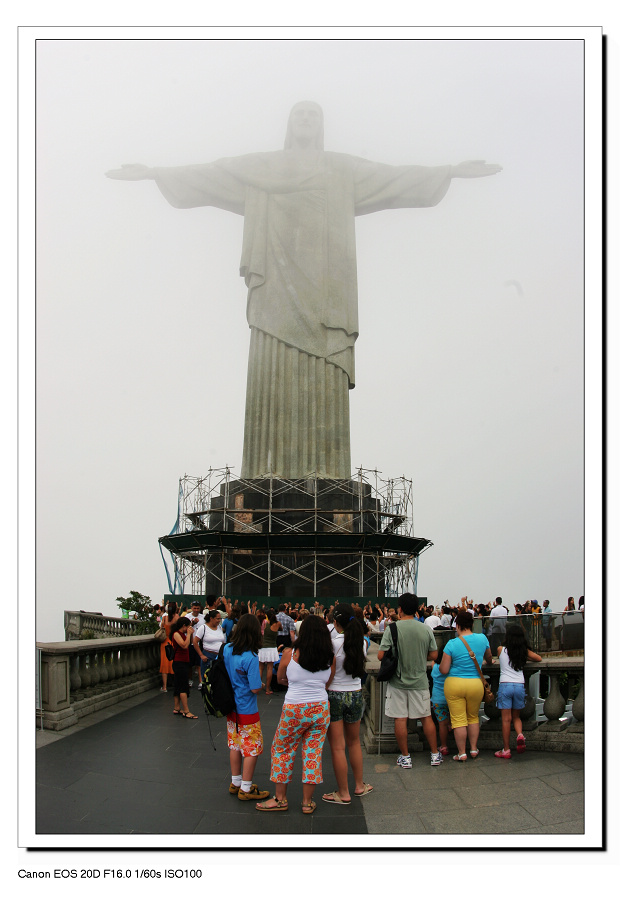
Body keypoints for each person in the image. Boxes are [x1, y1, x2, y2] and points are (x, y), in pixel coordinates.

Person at [107, 102, 500, 481]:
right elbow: (212, 174)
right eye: (300, 114)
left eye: (314, 114)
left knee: (325, 364)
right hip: (274, 288)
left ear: (322, 125)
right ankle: (264, 472)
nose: (307, 120)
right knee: (271, 364)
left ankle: (326, 474)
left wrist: (449, 171)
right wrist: (155, 173)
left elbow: (393, 177)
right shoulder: (262, 167)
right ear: (290, 124)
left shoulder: (341, 169)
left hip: (327, 290)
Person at [256, 615, 334, 814]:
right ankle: (307, 802)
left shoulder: (291, 653)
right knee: (313, 754)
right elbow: (327, 682)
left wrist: (292, 683)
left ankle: (280, 799)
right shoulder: (329, 657)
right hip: (320, 708)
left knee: (282, 749)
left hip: (294, 708)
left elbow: (280, 677)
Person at [377, 593, 441, 768]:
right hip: (420, 680)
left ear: (400, 609)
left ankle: (405, 757)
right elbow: (434, 654)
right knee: (426, 717)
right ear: (417, 609)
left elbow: (381, 655)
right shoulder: (426, 629)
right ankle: (435, 754)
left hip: (398, 681)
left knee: (400, 719)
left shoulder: (392, 628)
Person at [322, 604, 373, 804]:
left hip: (334, 694)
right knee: (354, 743)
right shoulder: (361, 643)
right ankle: (359, 785)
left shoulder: (333, 644)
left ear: (335, 622)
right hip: (355, 694)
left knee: (337, 746)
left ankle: (343, 792)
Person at [222, 614, 271, 802]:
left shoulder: (227, 648)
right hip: (247, 708)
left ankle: (236, 782)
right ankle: (246, 788)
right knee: (252, 748)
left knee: (235, 745)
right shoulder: (250, 657)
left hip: (230, 706)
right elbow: (254, 687)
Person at [439, 610, 492, 760]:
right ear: (472, 624)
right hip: (475, 684)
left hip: (454, 684)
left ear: (458, 625)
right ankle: (474, 749)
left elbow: (444, 669)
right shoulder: (482, 639)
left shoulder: (452, 643)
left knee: (458, 719)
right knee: (473, 717)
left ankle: (462, 752)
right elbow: (489, 657)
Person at [494, 624, 542, 758]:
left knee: (505, 720)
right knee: (516, 717)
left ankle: (506, 750)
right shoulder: (523, 651)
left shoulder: (500, 649)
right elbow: (538, 658)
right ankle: (520, 735)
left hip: (505, 685)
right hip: (519, 685)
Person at [169, 617, 197, 718]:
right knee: (183, 686)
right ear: (184, 626)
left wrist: (190, 634)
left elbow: (189, 643)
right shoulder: (176, 634)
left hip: (183, 662)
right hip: (179, 662)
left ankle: (177, 707)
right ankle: (186, 710)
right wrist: (189, 634)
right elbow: (184, 646)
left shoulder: (182, 634)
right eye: (188, 626)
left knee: (177, 685)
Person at [193, 609, 226, 681]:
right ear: (211, 618)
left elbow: (222, 641)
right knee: (207, 679)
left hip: (219, 656)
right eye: (217, 619)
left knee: (218, 679)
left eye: (220, 619)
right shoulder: (203, 628)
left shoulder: (219, 627)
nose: (219, 621)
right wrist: (201, 655)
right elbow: (195, 642)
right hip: (208, 656)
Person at [430, 648, 451, 758]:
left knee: (442, 724)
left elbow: (433, 662)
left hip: (438, 700)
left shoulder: (435, 667)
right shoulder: (451, 669)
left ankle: (443, 746)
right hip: (452, 699)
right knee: (456, 720)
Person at [258, 608, 280, 694]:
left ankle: (258, 688)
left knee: (260, 668)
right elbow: (281, 628)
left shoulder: (262, 623)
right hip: (272, 648)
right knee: (269, 668)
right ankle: (267, 689)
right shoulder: (277, 624)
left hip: (262, 647)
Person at [159, 600, 179, 692]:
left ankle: (164, 687)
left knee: (164, 664)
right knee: (174, 663)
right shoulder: (177, 618)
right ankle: (176, 684)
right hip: (173, 641)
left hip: (165, 642)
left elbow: (161, 628)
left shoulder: (164, 618)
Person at [186, 600, 205, 686]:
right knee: (190, 663)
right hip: (190, 643)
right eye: (195, 608)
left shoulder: (203, 617)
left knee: (199, 663)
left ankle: (201, 681)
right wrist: (192, 623)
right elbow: (184, 628)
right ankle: (190, 679)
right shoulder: (187, 617)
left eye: (198, 608)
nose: (196, 610)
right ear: (192, 608)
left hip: (200, 643)